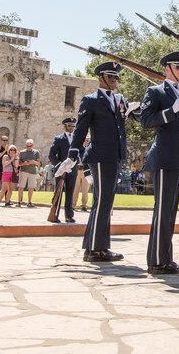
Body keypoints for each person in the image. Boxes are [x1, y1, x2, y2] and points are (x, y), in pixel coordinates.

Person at [140, 51, 179, 275]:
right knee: (163, 210)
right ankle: (157, 261)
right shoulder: (156, 92)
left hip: (177, 160)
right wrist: (172, 110)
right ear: (167, 68)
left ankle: (165, 258)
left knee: (170, 211)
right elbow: (145, 119)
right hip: (163, 159)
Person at [71, 61, 135, 264]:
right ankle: (96, 249)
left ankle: (94, 247)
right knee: (103, 201)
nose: (115, 80)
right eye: (111, 77)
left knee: (105, 202)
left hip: (114, 155)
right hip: (99, 155)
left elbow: (130, 119)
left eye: (117, 77)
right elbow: (81, 129)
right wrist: (73, 154)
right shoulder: (90, 100)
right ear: (101, 78)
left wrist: (136, 109)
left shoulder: (119, 99)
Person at [48, 117, 79, 219]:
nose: (72, 128)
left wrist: (75, 163)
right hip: (61, 169)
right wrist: (60, 166)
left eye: (73, 126)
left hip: (72, 169)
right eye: (70, 126)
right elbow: (51, 155)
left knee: (70, 192)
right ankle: (55, 214)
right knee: (58, 192)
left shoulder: (76, 139)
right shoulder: (59, 139)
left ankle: (69, 215)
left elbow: (80, 153)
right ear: (65, 126)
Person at [16, 140, 41, 209]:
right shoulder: (22, 152)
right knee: (21, 187)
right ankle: (19, 202)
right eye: (27, 146)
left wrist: (34, 162)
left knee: (31, 188)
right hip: (23, 171)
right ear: (25, 145)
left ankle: (29, 202)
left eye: (30, 146)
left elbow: (39, 164)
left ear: (33, 145)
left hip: (33, 172)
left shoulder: (36, 152)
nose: (29, 147)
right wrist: (24, 163)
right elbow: (19, 164)